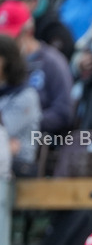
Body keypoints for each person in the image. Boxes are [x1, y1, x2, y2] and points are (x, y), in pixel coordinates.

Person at [3, 0, 73, 135]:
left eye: (13, 37)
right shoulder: (5, 64)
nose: (8, 44)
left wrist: (28, 120)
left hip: (40, 141)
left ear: (28, 31)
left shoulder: (52, 62)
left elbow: (63, 112)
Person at [0, 34, 41, 176]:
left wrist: (5, 146)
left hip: (20, 165)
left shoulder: (26, 96)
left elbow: (4, 132)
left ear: (6, 61)